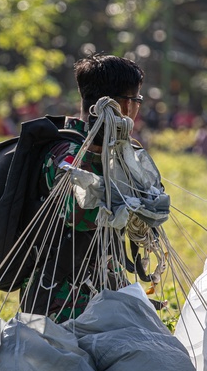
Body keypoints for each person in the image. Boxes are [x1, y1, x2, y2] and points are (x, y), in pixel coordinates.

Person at [19, 53, 149, 322]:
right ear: (122, 106)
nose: (137, 109)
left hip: (108, 289)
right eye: (136, 100)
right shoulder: (67, 154)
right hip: (62, 300)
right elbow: (80, 216)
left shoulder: (120, 154)